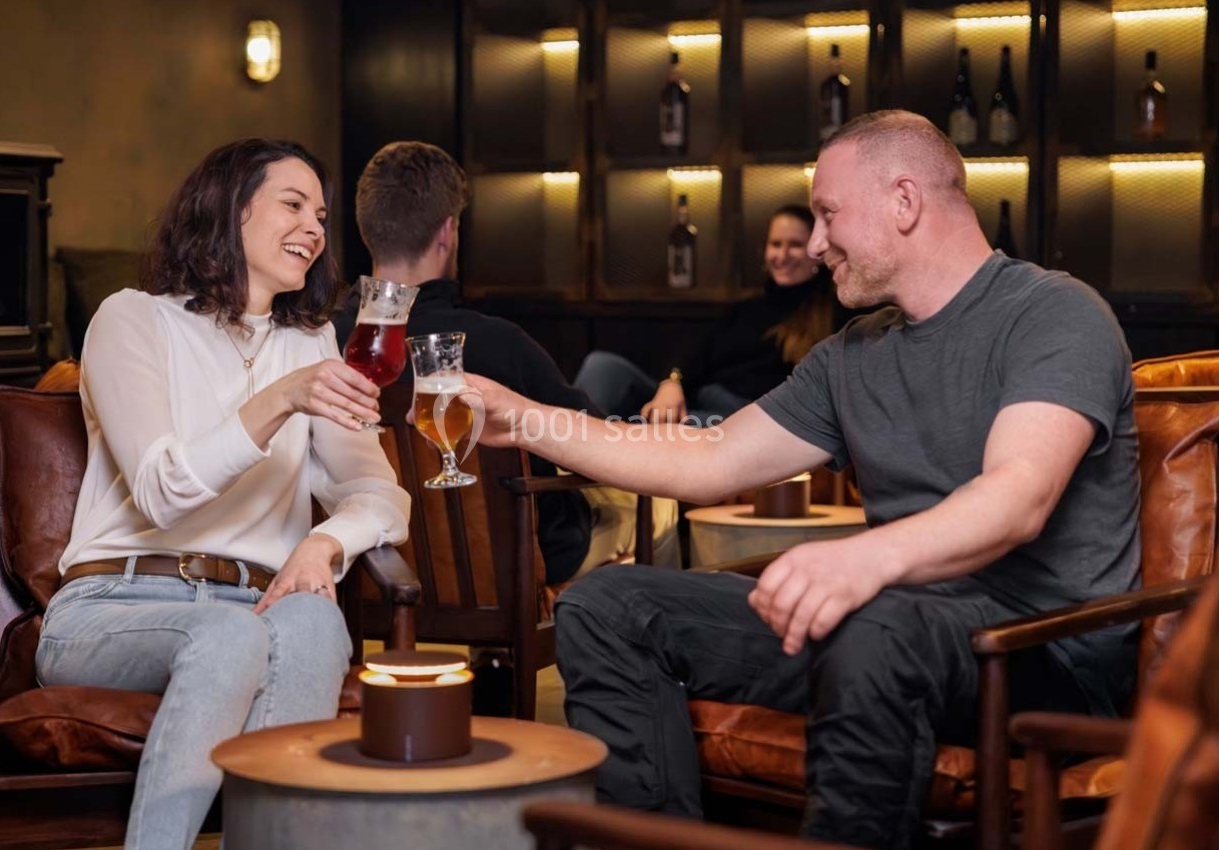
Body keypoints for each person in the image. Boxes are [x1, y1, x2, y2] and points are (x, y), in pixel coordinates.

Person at [459, 111, 1141, 849]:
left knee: (879, 624)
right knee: (606, 606)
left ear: (904, 201)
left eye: (827, 214)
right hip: (882, 631)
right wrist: (525, 419)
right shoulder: (853, 354)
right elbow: (711, 457)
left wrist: (861, 561)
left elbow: (1018, 496)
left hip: (1039, 655)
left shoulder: (1053, 314)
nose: (815, 245)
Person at [36, 139, 411, 850]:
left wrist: (325, 542)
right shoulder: (132, 320)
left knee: (315, 624)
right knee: (229, 635)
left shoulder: (309, 343)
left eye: (322, 216)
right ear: (230, 208)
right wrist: (279, 400)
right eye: (293, 204)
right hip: (115, 603)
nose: (314, 228)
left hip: (256, 602)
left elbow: (382, 494)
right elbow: (162, 493)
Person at [351, 140, 678, 583]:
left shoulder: (326, 341)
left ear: (367, 230)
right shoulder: (496, 343)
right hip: (514, 567)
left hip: (376, 568)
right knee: (659, 503)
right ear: (447, 232)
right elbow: (595, 443)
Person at [575, 204, 843, 423]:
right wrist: (672, 383)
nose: (782, 254)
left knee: (653, 427)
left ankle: (603, 443)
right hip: (695, 398)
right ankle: (578, 448)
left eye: (795, 244)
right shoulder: (746, 308)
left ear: (816, 251)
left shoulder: (831, 314)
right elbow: (697, 356)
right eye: (775, 244)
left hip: (744, 419)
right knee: (601, 366)